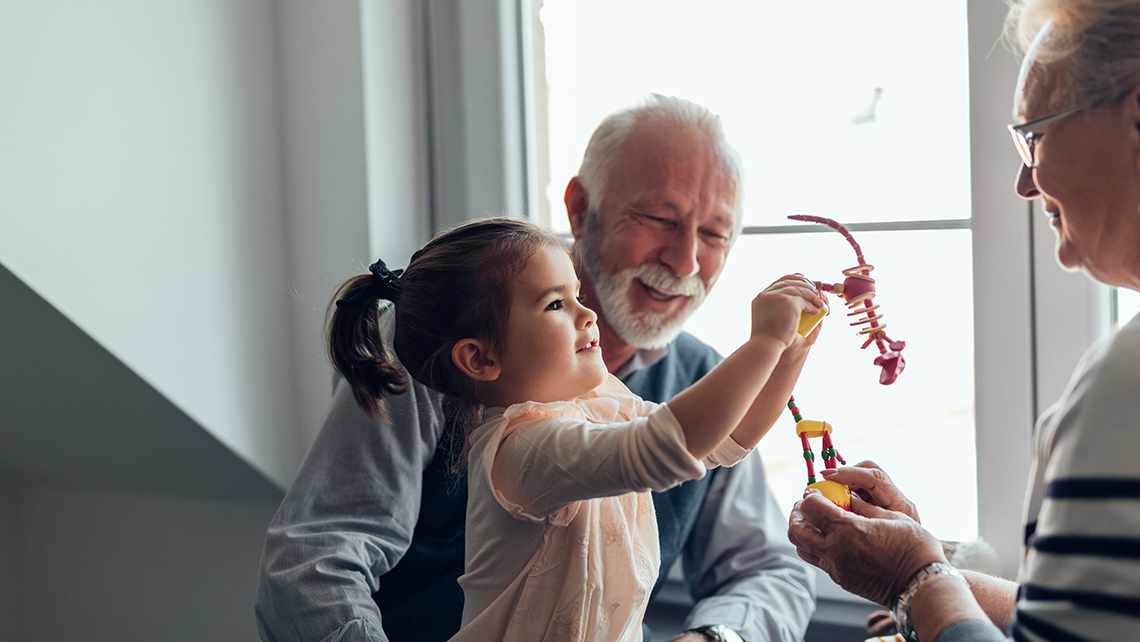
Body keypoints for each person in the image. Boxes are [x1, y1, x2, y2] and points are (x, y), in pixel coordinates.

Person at [257, 95, 817, 642]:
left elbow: (733, 467)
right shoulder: (466, 380)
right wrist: (766, 340)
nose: (686, 260)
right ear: (579, 210)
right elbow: (317, 557)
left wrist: (790, 350)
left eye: (715, 233)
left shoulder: (672, 385)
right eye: (657, 217)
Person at [786, 2, 1140, 641]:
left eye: (1034, 135)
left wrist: (914, 578)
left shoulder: (1129, 375)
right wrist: (924, 555)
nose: (1022, 183)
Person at [324, 217, 822, 641]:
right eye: (555, 305)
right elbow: (668, 446)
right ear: (480, 358)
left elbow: (723, 442)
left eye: (576, 295)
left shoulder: (599, 404)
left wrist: (791, 352)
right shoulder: (524, 446)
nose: (587, 315)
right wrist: (765, 340)